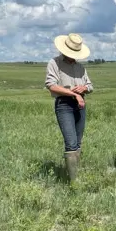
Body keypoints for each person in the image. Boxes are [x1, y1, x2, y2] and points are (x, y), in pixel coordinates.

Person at [45, 33, 93, 183]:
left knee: (78, 142)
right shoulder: (55, 63)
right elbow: (51, 85)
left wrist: (83, 88)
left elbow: (90, 86)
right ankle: (73, 183)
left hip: (80, 105)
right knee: (71, 142)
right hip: (64, 104)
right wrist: (73, 93)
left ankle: (75, 175)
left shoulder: (80, 67)